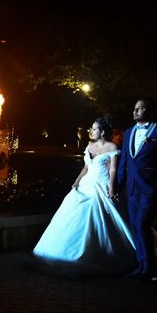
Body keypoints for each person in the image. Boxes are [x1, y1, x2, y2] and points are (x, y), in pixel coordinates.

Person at [32, 115, 138, 276]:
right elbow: (86, 168)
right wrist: (76, 181)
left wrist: (111, 188)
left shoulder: (112, 147)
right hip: (86, 184)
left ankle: (107, 254)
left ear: (102, 132)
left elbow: (113, 170)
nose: (91, 131)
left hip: (102, 185)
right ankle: (64, 252)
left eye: (94, 128)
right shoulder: (89, 147)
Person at [118, 98, 157, 280]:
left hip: (152, 188)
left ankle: (148, 268)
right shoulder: (128, 133)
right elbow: (124, 162)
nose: (135, 111)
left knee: (143, 225)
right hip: (132, 189)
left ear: (149, 111)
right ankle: (141, 265)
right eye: (134, 108)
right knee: (135, 228)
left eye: (140, 108)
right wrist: (118, 185)